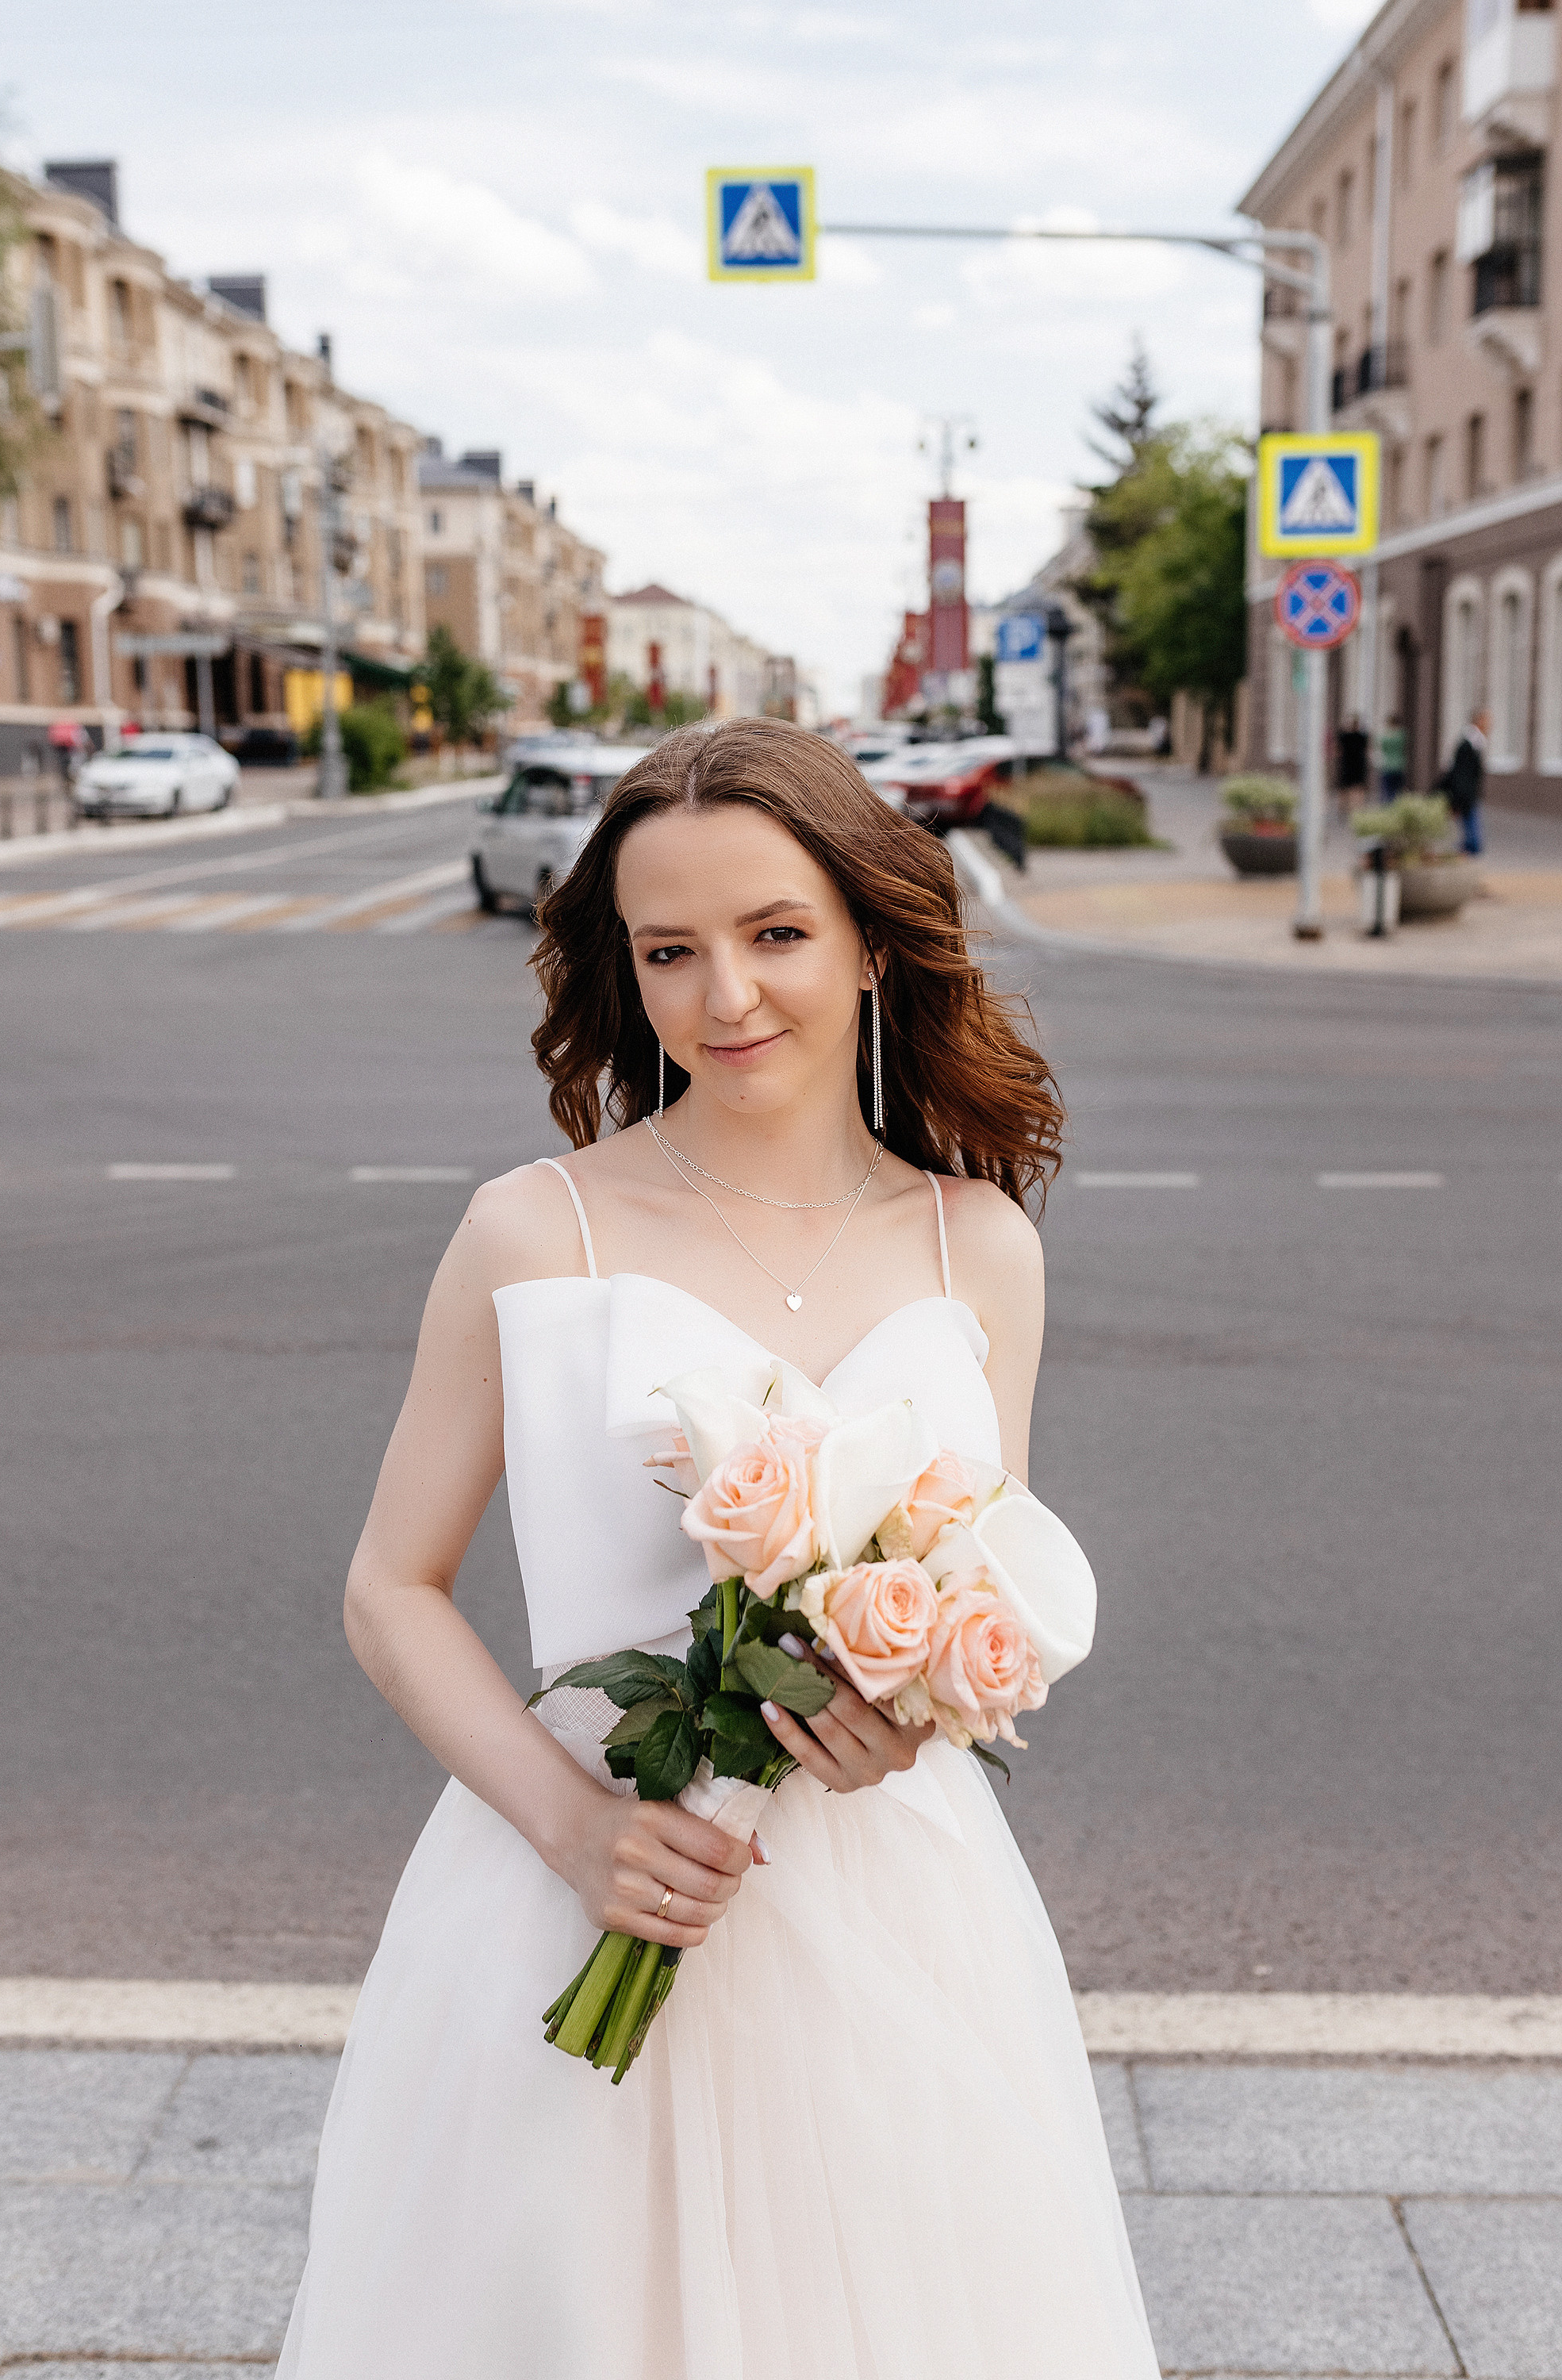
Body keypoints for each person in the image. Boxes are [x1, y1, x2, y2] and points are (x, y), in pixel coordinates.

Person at [277, 717, 1160, 2380]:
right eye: (669, 951)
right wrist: (571, 1827)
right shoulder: (540, 1229)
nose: (724, 997)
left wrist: (910, 1710)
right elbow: (389, 1591)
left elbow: (979, 1573)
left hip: (895, 1918)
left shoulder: (981, 1248)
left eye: (775, 936)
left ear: (875, 941)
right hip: (577, 1876)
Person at [1441, 708, 1487, 854]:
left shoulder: (1473, 740)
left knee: (1470, 827)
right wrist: (1461, 794)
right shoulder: (1471, 742)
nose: (1489, 724)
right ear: (1479, 721)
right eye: (1486, 720)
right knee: (1472, 831)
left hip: (1467, 792)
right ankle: (1467, 852)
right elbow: (1462, 771)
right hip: (1466, 793)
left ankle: (1467, 851)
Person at [1336, 712, 1369, 814]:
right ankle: (1357, 809)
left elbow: (1339, 743)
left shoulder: (1345, 737)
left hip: (1348, 764)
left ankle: (1345, 809)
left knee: (1346, 788)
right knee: (1357, 788)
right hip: (1357, 764)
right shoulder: (1362, 737)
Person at [1377, 713, 1407, 800]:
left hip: (1387, 765)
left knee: (1387, 790)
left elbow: (1380, 746)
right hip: (1399, 765)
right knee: (1397, 790)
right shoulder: (1402, 735)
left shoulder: (1386, 737)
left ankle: (1387, 806)